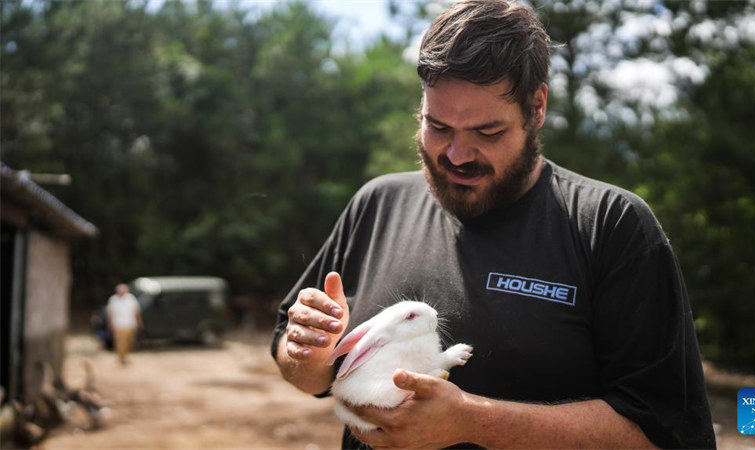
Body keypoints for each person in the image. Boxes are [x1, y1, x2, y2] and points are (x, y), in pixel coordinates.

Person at [271, 1, 716, 448]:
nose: (457, 155)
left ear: (536, 107)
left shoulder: (611, 226)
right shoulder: (377, 203)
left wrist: (472, 422)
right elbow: (307, 376)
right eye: (438, 126)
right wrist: (309, 353)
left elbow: (664, 435)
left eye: (487, 132)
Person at [106, 283, 142, 365]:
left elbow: (136, 311)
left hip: (130, 323)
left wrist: (139, 322)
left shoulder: (131, 298)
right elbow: (111, 313)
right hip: (119, 324)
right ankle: (121, 357)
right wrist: (110, 324)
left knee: (129, 342)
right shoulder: (113, 300)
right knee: (120, 342)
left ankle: (125, 355)